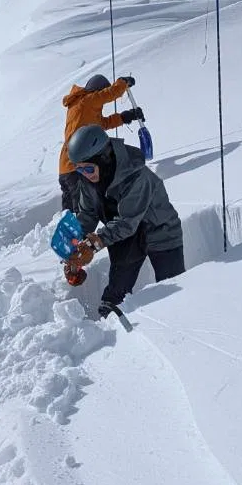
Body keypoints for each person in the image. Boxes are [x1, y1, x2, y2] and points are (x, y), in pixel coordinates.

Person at [65, 123, 184, 317]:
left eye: (87, 169)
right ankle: (111, 320)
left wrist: (93, 243)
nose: (85, 175)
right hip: (126, 236)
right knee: (115, 294)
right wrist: (73, 246)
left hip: (161, 232)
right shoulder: (88, 181)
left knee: (172, 289)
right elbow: (87, 214)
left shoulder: (137, 176)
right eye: (79, 170)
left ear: (104, 159)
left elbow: (127, 221)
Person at [58, 73, 144, 209]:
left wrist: (124, 117)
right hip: (76, 167)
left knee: (69, 212)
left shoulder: (82, 107)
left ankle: (65, 228)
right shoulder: (87, 101)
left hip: (66, 167)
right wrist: (122, 83)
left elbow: (102, 124)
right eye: (101, 93)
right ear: (97, 91)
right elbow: (110, 94)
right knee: (79, 211)